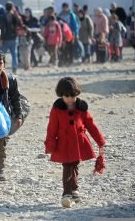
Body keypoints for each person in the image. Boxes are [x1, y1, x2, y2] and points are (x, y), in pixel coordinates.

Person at [44, 77, 106, 208]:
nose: (70, 99)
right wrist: (50, 145)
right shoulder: (57, 108)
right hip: (64, 143)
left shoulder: (82, 108)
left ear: (76, 94)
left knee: (75, 164)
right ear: (61, 95)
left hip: (79, 142)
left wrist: (100, 140)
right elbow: (52, 128)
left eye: (73, 96)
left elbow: (91, 125)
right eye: (67, 96)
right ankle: (66, 193)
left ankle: (74, 189)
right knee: (67, 166)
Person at [0, 49, 30, 185]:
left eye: (0, 63)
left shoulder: (10, 80)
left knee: (1, 145)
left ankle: (0, 170)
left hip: (4, 118)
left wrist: (19, 115)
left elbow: (15, 98)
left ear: (4, 64)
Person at [0, 1, 21, 74]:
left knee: (1, 54)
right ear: (12, 7)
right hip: (14, 37)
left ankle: (0, 67)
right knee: (14, 54)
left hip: (5, 38)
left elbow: (3, 28)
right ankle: (14, 68)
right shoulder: (15, 16)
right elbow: (19, 24)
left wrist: (1, 38)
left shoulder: (3, 16)